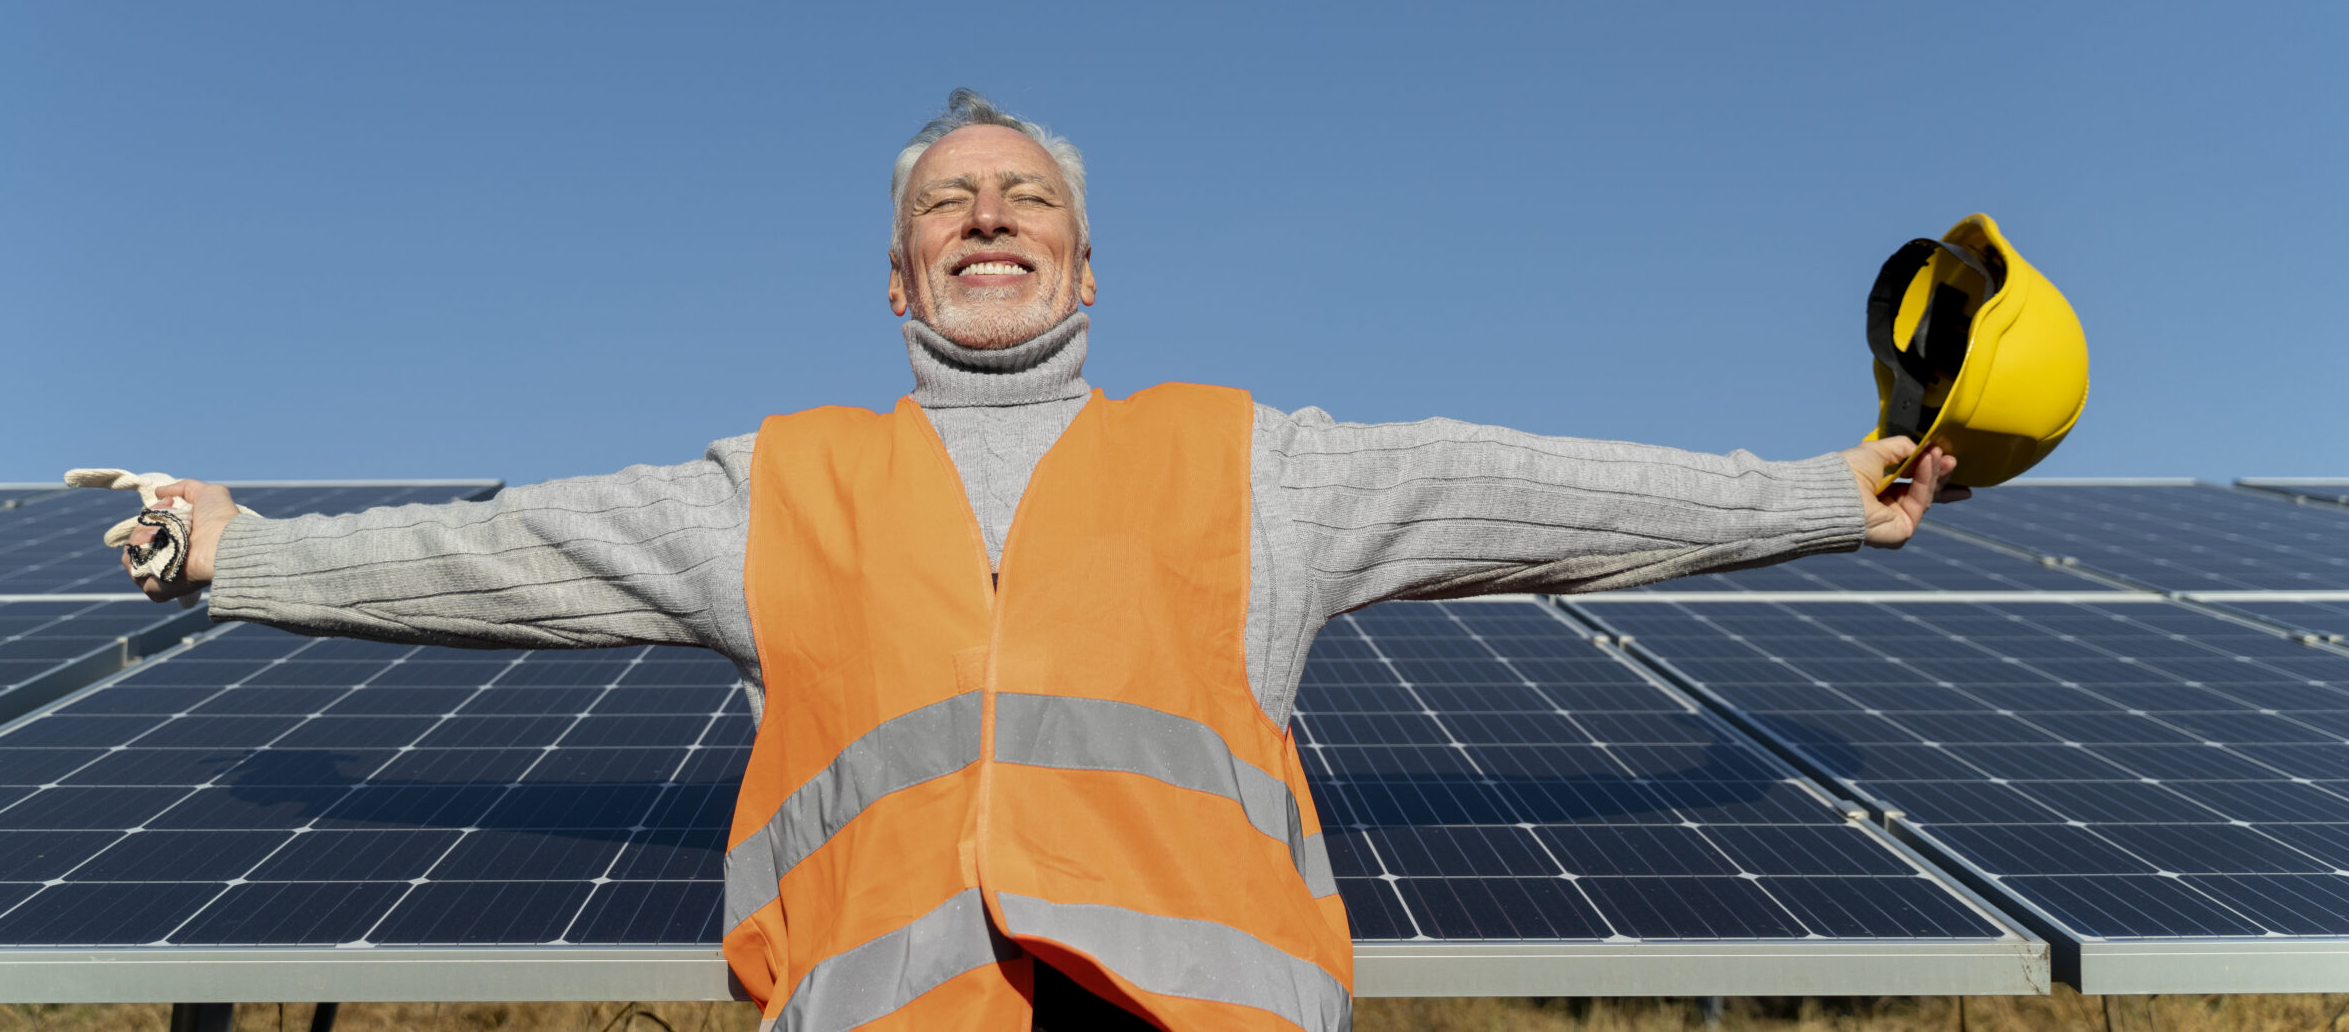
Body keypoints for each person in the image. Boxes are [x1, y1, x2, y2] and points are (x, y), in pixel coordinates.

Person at [120, 89, 1960, 1032]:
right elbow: (500, 556)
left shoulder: (1250, 461)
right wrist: (246, 556)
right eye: (947, 203)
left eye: (1027, 201)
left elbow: (1532, 493)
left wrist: (1817, 494)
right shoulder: (777, 487)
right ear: (900, 280)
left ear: (1086, 274)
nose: (986, 215)